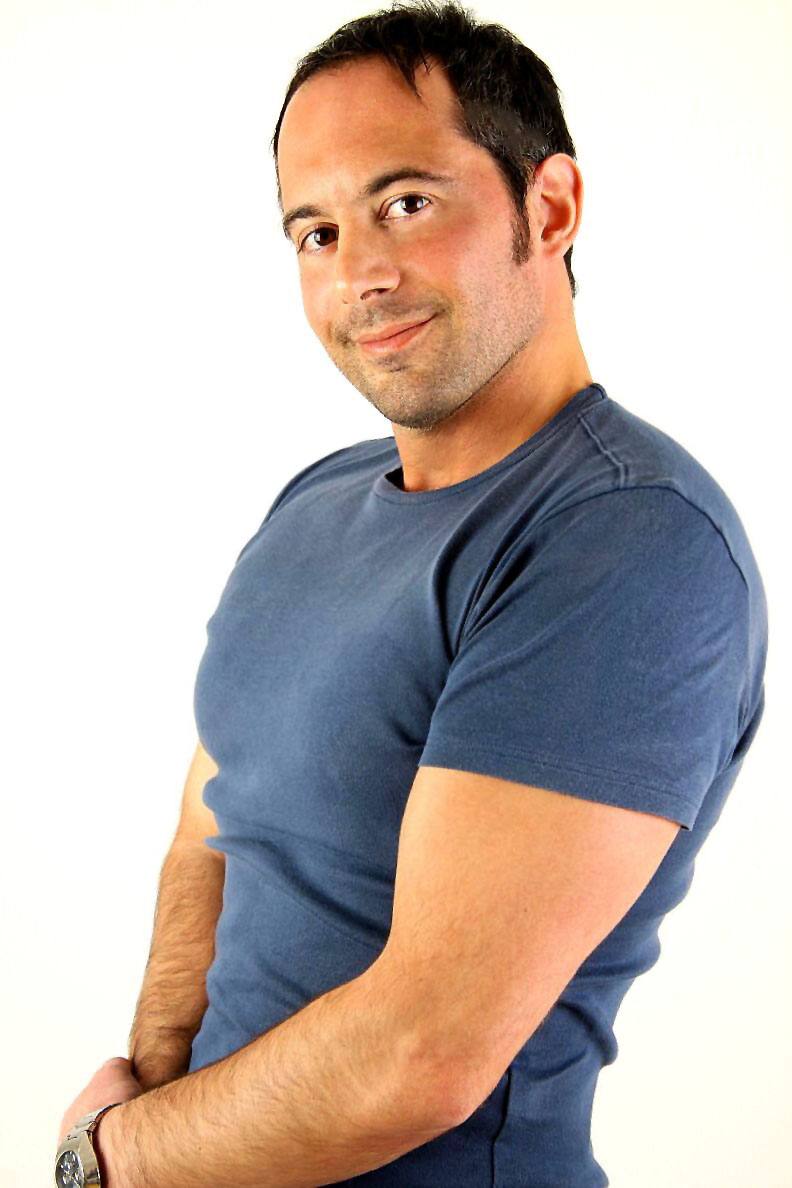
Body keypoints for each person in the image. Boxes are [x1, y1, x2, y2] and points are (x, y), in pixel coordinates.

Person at [61, 2, 767, 1185]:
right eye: (316, 231)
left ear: (550, 209)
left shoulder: (629, 541)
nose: (361, 274)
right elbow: (212, 823)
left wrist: (113, 1161)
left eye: (406, 204)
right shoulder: (315, 502)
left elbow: (424, 1053)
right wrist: (153, 1083)